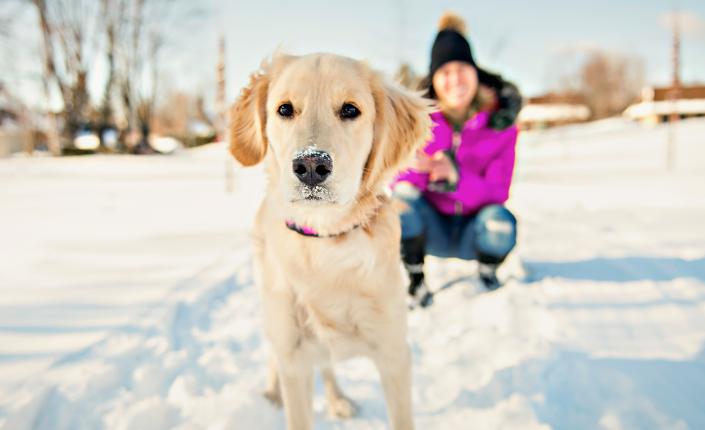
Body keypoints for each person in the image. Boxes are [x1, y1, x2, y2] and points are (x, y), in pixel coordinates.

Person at [393, 12, 522, 308]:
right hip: (430, 230)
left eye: (462, 68)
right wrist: (419, 169)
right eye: (445, 72)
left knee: (501, 222)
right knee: (398, 203)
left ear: (476, 72)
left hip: (474, 232)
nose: (455, 80)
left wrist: (457, 177)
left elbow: (498, 191)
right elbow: (397, 184)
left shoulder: (501, 124)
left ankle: (488, 269)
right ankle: (415, 280)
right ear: (434, 80)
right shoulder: (419, 122)